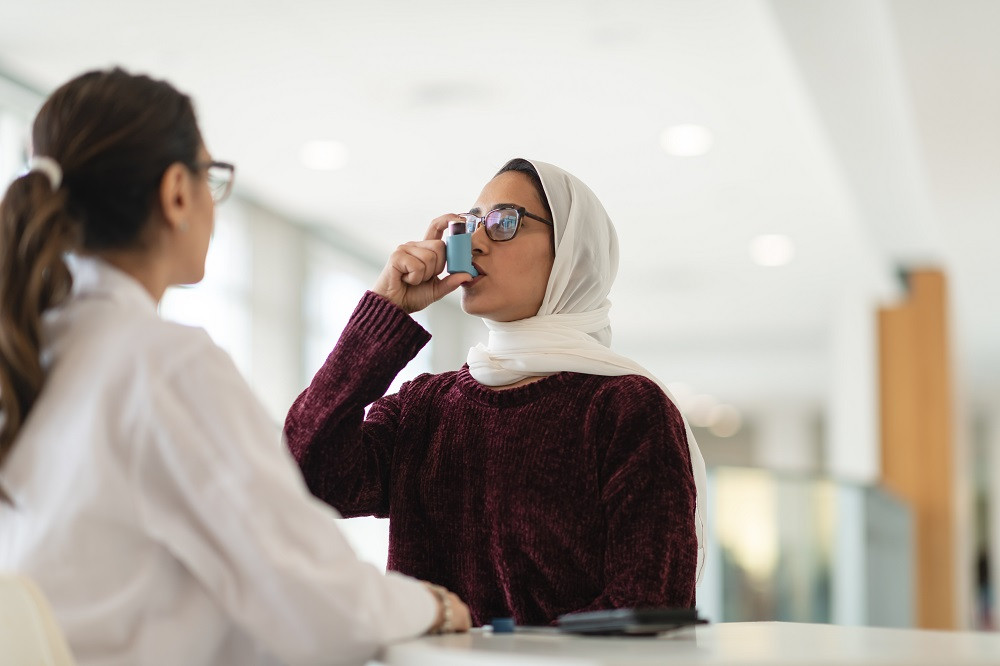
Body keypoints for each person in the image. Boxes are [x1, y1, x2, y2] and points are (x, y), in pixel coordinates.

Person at [0, 68, 470, 666]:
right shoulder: (163, 365)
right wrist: (432, 607)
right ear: (176, 192)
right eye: (210, 177)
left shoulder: (28, 353)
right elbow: (318, 606)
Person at [285, 157, 708, 627]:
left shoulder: (626, 408)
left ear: (572, 252)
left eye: (504, 222)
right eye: (470, 223)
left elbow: (648, 606)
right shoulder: (424, 407)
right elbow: (305, 473)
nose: (475, 242)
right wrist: (387, 307)